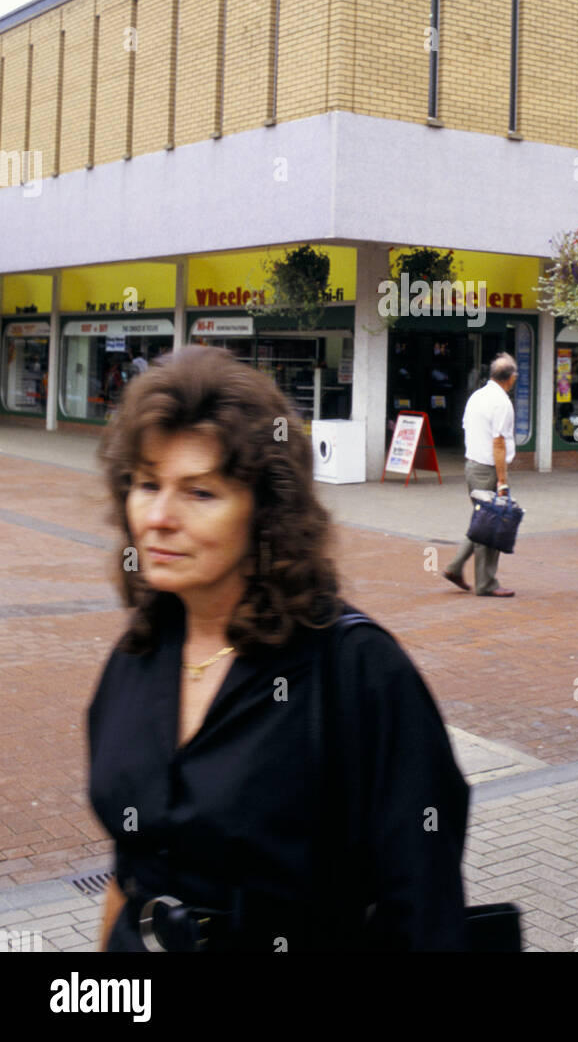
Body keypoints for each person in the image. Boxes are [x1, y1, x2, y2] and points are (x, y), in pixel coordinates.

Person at [88, 345, 469, 952]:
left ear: (265, 514)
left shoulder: (359, 674)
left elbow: (424, 912)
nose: (157, 516)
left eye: (200, 492)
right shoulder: (138, 654)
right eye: (145, 483)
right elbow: (129, 867)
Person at [443, 353, 518, 598]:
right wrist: (503, 480)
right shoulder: (502, 403)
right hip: (487, 469)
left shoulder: (477, 396)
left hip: (472, 465)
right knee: (493, 523)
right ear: (512, 377)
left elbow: (468, 429)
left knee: (483, 521)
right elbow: (498, 443)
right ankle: (486, 583)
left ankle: (455, 567)